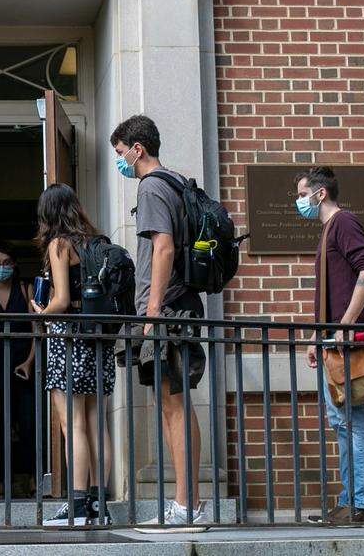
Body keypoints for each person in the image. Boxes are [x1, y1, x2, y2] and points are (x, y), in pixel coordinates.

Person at [111, 115, 209, 529]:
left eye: (120, 153)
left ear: (138, 148)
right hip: (177, 306)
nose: (120, 162)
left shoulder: (151, 186)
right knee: (173, 404)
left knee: (173, 405)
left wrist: (151, 312)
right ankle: (187, 502)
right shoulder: (175, 182)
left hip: (167, 310)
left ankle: (187, 505)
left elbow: (164, 248)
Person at [295, 166, 364, 526]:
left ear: (320, 193)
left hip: (348, 342)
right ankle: (349, 501)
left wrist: (343, 327)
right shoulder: (329, 228)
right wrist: (318, 335)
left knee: (351, 422)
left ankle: (359, 503)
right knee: (342, 421)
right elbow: (331, 290)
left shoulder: (343, 223)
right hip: (332, 341)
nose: (300, 202)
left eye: (302, 194)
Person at [33, 186, 113, 526]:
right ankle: (98, 505)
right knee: (96, 423)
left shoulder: (59, 244)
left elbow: (63, 299)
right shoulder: (95, 241)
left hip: (69, 339)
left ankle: (77, 504)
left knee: (72, 423)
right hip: (98, 338)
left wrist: (40, 312)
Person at [0, 242, 37, 499]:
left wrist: (29, 362)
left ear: (14, 266)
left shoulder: (25, 289)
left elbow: (37, 329)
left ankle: (29, 480)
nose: (1, 267)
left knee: (27, 424)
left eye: (6, 263)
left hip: (21, 365)